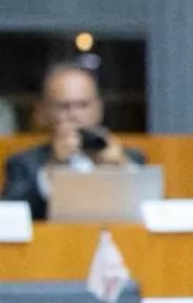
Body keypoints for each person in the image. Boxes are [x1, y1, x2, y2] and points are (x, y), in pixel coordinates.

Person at [1, 63, 149, 221]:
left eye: (83, 105)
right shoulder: (24, 164)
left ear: (99, 108)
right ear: (46, 111)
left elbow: (158, 214)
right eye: (64, 107)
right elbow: (9, 219)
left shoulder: (132, 159)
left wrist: (122, 168)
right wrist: (53, 166)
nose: (74, 114)